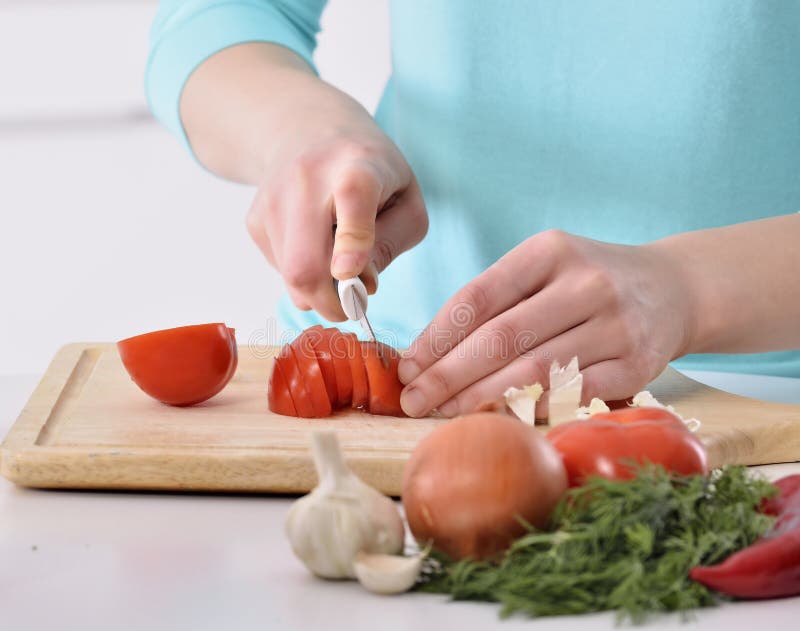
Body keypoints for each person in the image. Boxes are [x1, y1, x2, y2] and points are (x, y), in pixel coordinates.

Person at [146, 1, 800, 418]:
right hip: (382, 374)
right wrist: (299, 128)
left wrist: (693, 290)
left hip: (746, 403)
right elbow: (215, 15)